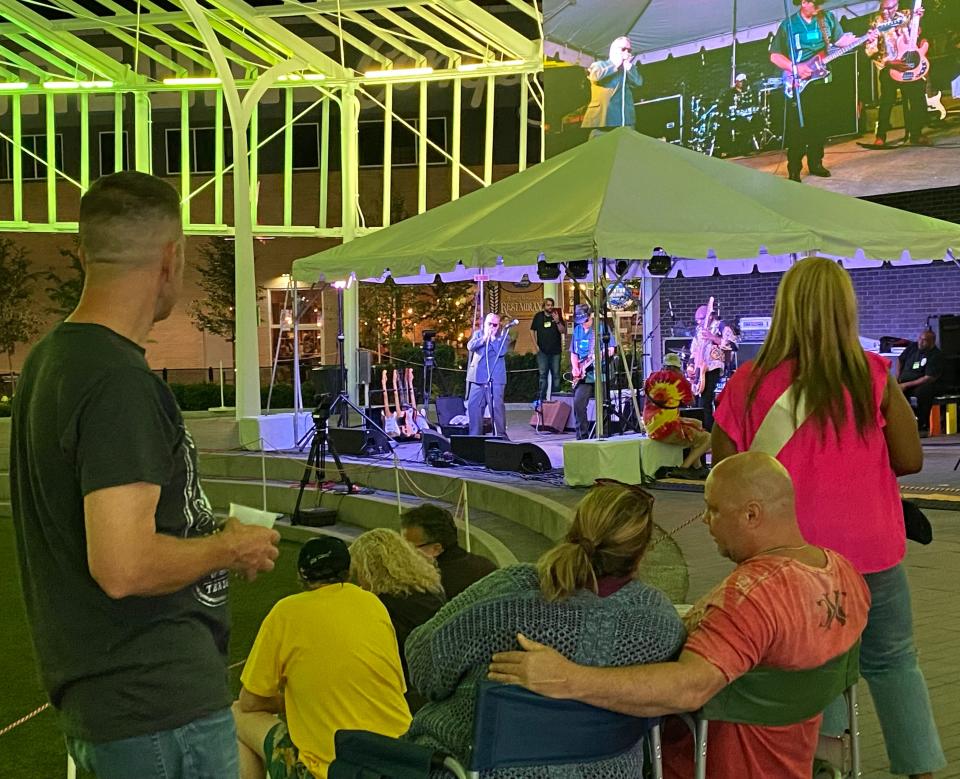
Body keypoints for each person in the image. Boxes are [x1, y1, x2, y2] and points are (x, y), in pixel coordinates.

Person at [9, 171, 280, 778]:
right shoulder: (117, 381)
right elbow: (123, 564)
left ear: (83, 254)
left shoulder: (53, 361)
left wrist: (213, 537)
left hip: (114, 706)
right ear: (171, 258)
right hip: (157, 710)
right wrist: (227, 548)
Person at [489, 453, 871, 779]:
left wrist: (569, 679)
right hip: (794, 762)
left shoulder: (749, 598)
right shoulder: (845, 573)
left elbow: (689, 688)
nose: (705, 521)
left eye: (714, 510)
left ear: (752, 514)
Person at [711, 257, 944, 778]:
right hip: (872, 551)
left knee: (814, 668)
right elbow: (910, 458)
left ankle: (824, 766)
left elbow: (725, 471)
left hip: (786, 563)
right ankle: (922, 770)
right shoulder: (872, 376)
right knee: (894, 662)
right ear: (846, 310)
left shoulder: (746, 384)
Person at [405, 481, 685, 776]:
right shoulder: (661, 626)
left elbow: (424, 666)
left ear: (572, 531)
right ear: (642, 553)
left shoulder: (507, 593)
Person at [234, 536, 411, 779]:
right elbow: (394, 687)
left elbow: (250, 702)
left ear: (303, 576)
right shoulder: (373, 604)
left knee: (235, 714)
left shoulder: (285, 613)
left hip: (329, 770)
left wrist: (295, 701)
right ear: (348, 571)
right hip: (399, 758)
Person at [349, 528, 447, 709]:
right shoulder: (431, 591)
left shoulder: (381, 606)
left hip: (404, 695)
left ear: (371, 570)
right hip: (435, 685)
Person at [769, 0, 858, 181]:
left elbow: (841, 41)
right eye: (815, 3)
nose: (819, 7)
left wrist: (864, 38)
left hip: (822, 80)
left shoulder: (827, 19)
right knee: (798, 129)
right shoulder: (789, 25)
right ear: (804, 2)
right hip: (799, 84)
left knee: (820, 125)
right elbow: (775, 55)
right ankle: (794, 168)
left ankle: (816, 163)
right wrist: (795, 68)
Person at [401, 503, 497, 598]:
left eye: (410, 547)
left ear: (436, 549)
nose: (405, 552)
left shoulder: (428, 584)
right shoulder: (486, 566)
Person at [867, 0, 929, 146]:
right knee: (886, 102)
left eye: (890, 8)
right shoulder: (875, 22)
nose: (886, 11)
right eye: (884, 8)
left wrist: (919, 22)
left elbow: (918, 33)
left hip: (908, 65)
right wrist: (888, 62)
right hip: (889, 67)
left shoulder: (906, 15)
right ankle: (881, 136)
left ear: (897, 5)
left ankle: (916, 134)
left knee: (917, 98)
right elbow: (870, 49)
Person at [643, 353, 711, 471]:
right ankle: (684, 468)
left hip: (650, 425)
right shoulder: (679, 380)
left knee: (697, 424)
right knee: (708, 438)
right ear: (678, 367)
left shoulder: (652, 377)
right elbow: (691, 402)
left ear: (664, 366)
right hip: (666, 428)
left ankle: (698, 467)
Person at [570, 303, 617, 439]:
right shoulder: (577, 330)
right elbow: (574, 352)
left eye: (585, 320)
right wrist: (575, 368)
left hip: (600, 373)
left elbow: (611, 349)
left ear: (591, 316)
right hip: (584, 375)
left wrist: (599, 355)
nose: (584, 324)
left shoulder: (601, 327)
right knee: (578, 403)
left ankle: (602, 434)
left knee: (602, 405)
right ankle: (582, 436)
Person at [581, 36, 643, 136]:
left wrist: (629, 68)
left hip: (624, 119)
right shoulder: (599, 65)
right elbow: (595, 76)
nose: (626, 52)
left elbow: (638, 83)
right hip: (603, 119)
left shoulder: (627, 69)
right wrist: (615, 64)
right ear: (614, 50)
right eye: (623, 49)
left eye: (629, 50)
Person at [466, 312, 511, 437]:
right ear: (484, 323)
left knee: (496, 407)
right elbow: (470, 346)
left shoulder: (504, 336)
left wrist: (493, 340)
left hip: (495, 378)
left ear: (498, 325)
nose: (491, 327)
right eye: (489, 323)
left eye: (494, 325)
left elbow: (501, 351)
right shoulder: (478, 334)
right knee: (473, 406)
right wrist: (484, 339)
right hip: (477, 377)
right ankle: (475, 436)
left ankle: (500, 435)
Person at [897, 328, 943, 436]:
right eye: (919, 338)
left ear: (932, 342)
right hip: (903, 381)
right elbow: (900, 360)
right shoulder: (913, 347)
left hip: (920, 384)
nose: (920, 342)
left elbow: (928, 378)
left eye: (924, 340)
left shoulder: (935, 355)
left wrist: (906, 385)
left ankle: (922, 426)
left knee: (923, 392)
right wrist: (897, 378)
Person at [692, 302, 725, 431]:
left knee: (706, 400)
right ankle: (703, 431)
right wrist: (691, 365)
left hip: (713, 367)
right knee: (698, 401)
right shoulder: (698, 330)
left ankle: (710, 432)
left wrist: (713, 337)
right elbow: (694, 348)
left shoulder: (720, 326)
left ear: (709, 316)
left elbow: (732, 344)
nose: (698, 322)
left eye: (700, 319)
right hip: (700, 367)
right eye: (697, 320)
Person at [530, 297, 566, 408]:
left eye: (551, 305)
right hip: (542, 351)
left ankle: (556, 399)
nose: (550, 307)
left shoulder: (557, 315)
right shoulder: (538, 316)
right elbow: (532, 330)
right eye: (548, 305)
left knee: (556, 375)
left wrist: (558, 321)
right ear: (544, 306)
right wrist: (535, 346)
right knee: (542, 375)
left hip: (555, 351)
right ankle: (542, 399)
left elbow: (563, 331)